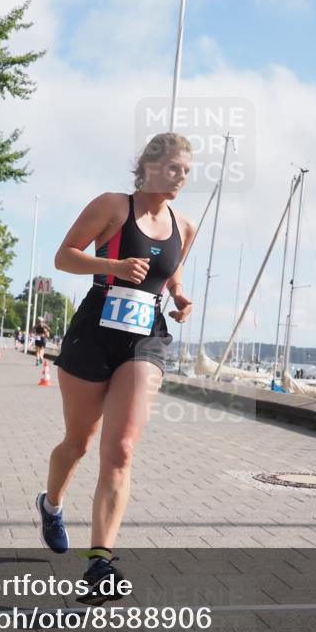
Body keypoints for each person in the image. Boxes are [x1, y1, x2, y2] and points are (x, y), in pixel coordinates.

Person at [35, 133, 195, 606]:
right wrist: (114, 266)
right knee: (78, 443)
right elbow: (64, 256)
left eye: (187, 171)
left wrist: (180, 295)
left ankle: (99, 563)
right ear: (148, 166)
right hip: (94, 330)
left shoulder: (185, 225)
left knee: (121, 450)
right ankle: (51, 504)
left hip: (145, 336)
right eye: (173, 168)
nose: (181, 178)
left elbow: (171, 271)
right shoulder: (112, 206)